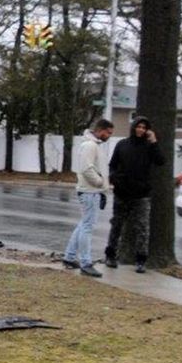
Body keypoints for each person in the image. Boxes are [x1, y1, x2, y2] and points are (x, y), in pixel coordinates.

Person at [105, 117, 165, 273]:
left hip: (141, 194)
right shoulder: (122, 145)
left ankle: (141, 259)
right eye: (138, 126)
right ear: (133, 128)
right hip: (122, 192)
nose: (141, 130)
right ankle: (110, 255)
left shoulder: (149, 147)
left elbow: (160, 161)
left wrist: (154, 142)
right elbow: (112, 164)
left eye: (144, 127)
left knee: (142, 228)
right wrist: (115, 179)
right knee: (117, 225)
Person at [62, 119, 115, 277]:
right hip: (90, 191)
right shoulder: (90, 146)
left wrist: (101, 188)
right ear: (101, 130)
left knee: (84, 224)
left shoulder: (92, 145)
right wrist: (100, 183)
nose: (109, 136)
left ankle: (70, 257)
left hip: (91, 191)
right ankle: (85, 263)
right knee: (87, 227)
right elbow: (87, 169)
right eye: (109, 133)